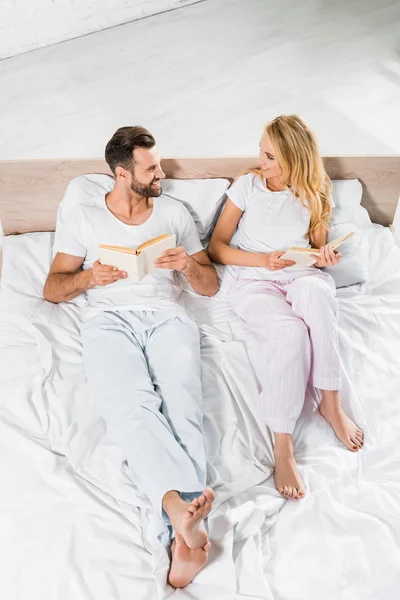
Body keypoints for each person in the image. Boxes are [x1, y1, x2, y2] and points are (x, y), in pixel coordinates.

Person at [43, 126, 219, 588]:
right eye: (151, 168)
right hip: (108, 321)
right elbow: (53, 288)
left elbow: (211, 286)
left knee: (184, 408)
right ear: (122, 174)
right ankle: (185, 529)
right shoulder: (83, 217)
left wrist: (187, 265)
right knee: (132, 406)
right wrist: (88, 278)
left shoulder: (174, 212)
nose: (162, 174)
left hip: (167, 316)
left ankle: (179, 531)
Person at [208, 114, 364, 501]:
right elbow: (217, 247)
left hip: (298, 274)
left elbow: (314, 248)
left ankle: (330, 402)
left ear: (295, 160)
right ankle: (283, 443)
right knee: (289, 332)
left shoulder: (315, 190)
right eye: (262, 152)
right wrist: (264, 262)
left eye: (272, 157)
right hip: (254, 279)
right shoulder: (248, 187)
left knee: (319, 295)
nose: (262, 162)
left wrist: (323, 257)